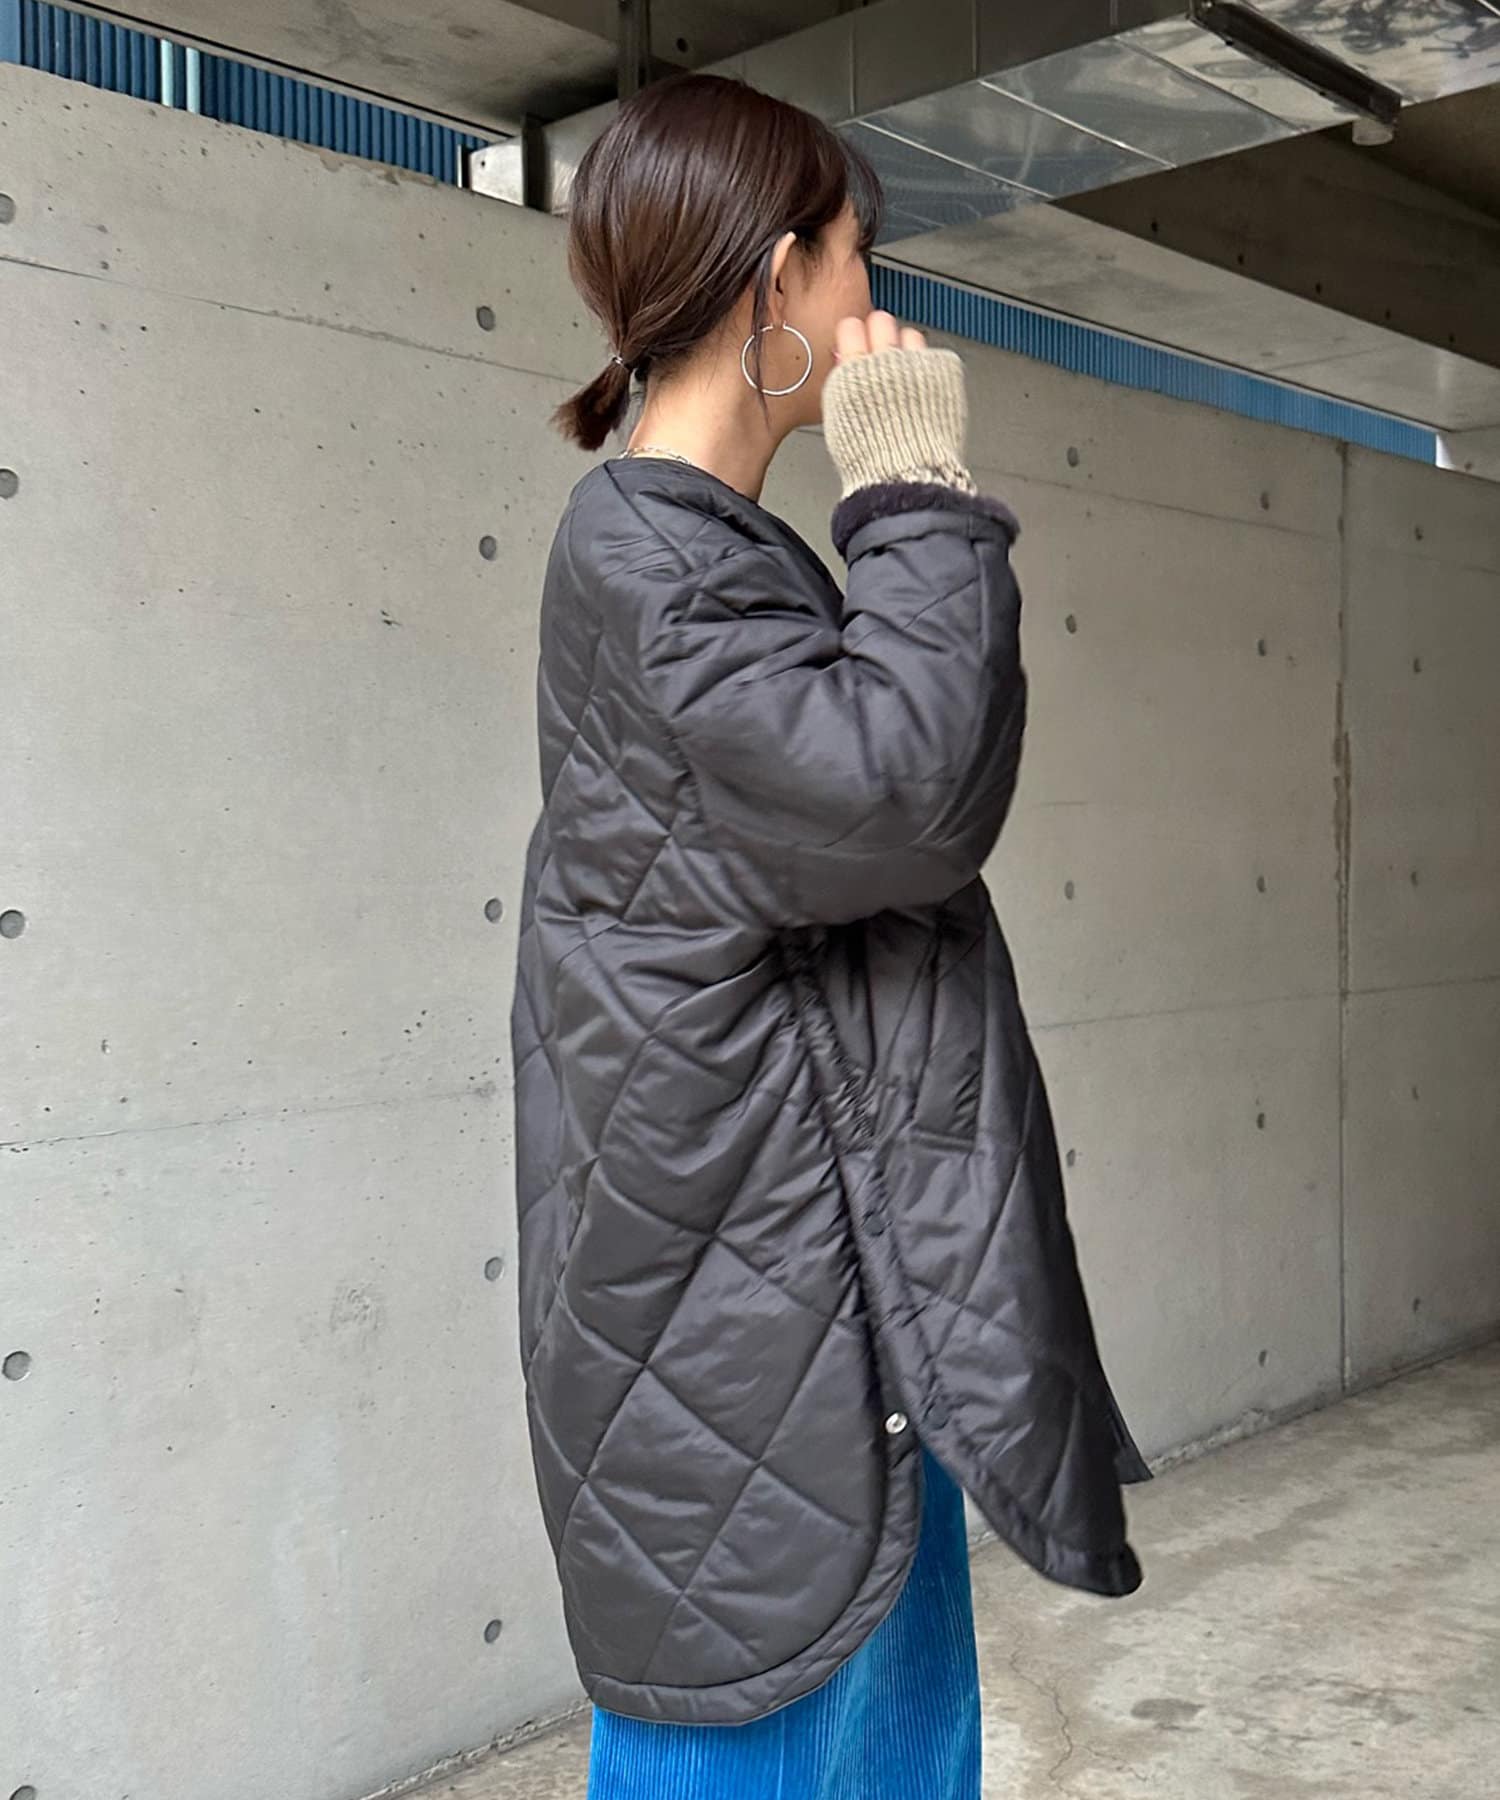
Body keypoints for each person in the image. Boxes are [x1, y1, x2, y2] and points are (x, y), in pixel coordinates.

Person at [509, 71, 1152, 1800]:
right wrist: (918, 489)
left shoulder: (704, 549)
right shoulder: (656, 565)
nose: (877, 298)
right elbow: (907, 795)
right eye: (860, 253)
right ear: (777, 277)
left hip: (818, 1308)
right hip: (744, 1348)